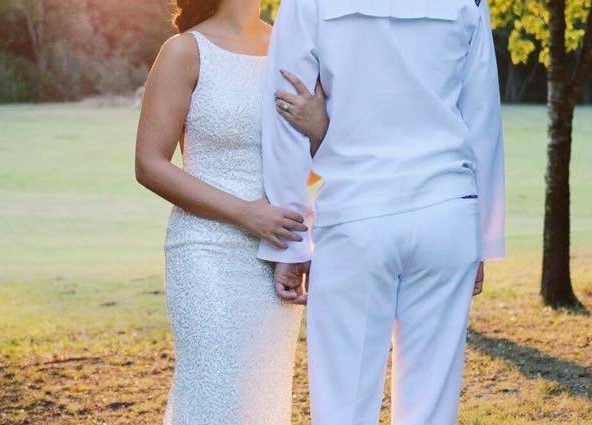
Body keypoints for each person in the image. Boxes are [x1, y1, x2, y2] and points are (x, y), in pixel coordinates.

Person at [259, 0, 506, 424]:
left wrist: (291, 241)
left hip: (357, 213)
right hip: (446, 213)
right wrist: (482, 239)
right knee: (430, 406)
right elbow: (483, 119)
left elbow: (285, 109)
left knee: (344, 404)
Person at [134, 0, 329, 423]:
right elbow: (149, 164)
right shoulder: (185, 51)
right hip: (206, 252)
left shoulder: (294, 48)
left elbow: (309, 170)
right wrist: (245, 214)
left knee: (261, 400)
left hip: (274, 255)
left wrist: (319, 129)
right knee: (215, 394)